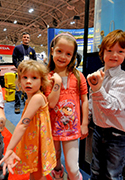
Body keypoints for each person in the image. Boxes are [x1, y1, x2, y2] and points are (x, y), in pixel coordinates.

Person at [87, 29, 125, 180]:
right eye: (109, 50)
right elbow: (91, 102)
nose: (114, 55)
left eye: (120, 51)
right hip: (98, 130)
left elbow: (111, 107)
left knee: (112, 175)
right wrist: (85, 122)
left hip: (117, 134)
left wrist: (97, 88)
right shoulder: (98, 74)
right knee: (95, 168)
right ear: (102, 53)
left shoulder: (123, 80)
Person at [0, 60, 56, 180]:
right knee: (33, 171)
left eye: (34, 77)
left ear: (41, 81)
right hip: (33, 141)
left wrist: (9, 148)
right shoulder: (32, 97)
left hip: (37, 143)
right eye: (24, 77)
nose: (28, 81)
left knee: (38, 174)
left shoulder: (37, 98)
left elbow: (22, 125)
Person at [45, 33, 89, 180]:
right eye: (59, 51)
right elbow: (50, 103)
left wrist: (84, 123)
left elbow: (85, 99)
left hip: (72, 129)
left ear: (73, 56)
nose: (63, 56)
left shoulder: (77, 76)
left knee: (72, 168)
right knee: (54, 164)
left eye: (68, 53)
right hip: (52, 129)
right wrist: (56, 83)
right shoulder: (46, 77)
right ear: (52, 51)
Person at [12, 32, 37, 114]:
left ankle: (28, 103)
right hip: (20, 72)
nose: (26, 38)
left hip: (29, 72)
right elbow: (14, 58)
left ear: (29, 39)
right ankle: (17, 106)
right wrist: (18, 66)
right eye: (24, 37)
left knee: (29, 88)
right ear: (22, 39)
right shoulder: (17, 48)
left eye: (27, 37)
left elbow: (35, 61)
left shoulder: (32, 50)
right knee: (18, 89)